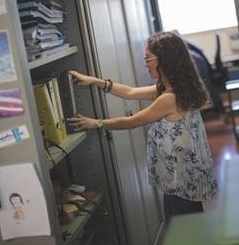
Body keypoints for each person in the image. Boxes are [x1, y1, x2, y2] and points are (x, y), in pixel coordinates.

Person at [68, 30, 217, 223]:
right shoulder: (176, 89)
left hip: (180, 182)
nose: (145, 64)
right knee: (190, 227)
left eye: (148, 58)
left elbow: (132, 122)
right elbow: (130, 92)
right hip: (183, 179)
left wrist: (96, 123)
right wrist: (95, 81)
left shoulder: (169, 99)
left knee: (182, 230)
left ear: (164, 60)